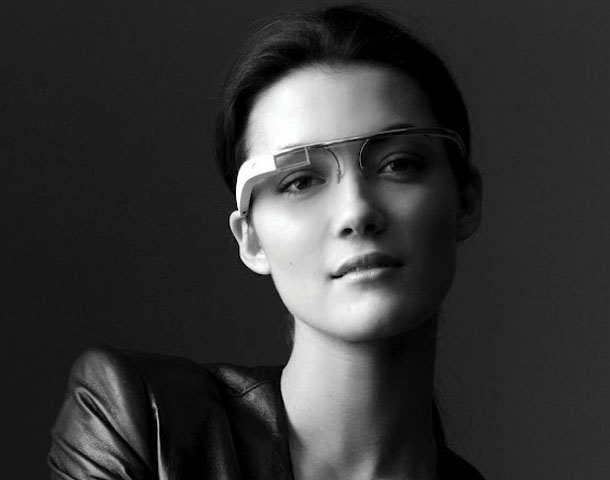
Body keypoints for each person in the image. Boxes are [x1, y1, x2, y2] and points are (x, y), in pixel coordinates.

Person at [48, 4, 484, 479]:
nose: (357, 212)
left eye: (398, 164)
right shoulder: (141, 421)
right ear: (251, 239)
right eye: (300, 181)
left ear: (465, 200)